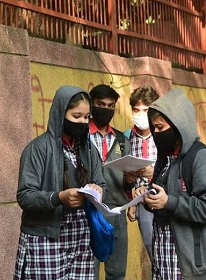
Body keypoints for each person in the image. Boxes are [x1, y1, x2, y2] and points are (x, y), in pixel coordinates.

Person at [14, 85, 106, 279]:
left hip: (81, 235)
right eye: (76, 116)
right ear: (60, 113)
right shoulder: (37, 149)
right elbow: (25, 196)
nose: (82, 122)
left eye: (86, 117)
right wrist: (58, 198)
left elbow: (101, 182)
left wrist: (98, 190)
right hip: (45, 237)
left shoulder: (89, 149)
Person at [136, 88, 206, 279]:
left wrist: (170, 202)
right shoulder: (165, 159)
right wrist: (147, 197)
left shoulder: (201, 157)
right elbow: (162, 201)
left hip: (191, 267)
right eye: (154, 128)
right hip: (163, 261)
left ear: (179, 125)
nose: (156, 133)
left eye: (161, 128)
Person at [88, 85, 131, 280]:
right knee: (89, 272)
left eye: (110, 106)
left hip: (117, 213)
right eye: (100, 104)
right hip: (90, 212)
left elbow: (128, 181)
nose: (106, 109)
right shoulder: (82, 137)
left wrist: (131, 181)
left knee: (117, 272)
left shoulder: (122, 140)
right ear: (91, 105)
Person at [124, 86, 159, 260]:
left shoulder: (162, 134)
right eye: (136, 110)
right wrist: (132, 203)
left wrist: (154, 172)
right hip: (140, 203)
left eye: (146, 110)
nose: (140, 114)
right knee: (151, 250)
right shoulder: (127, 137)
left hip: (163, 199)